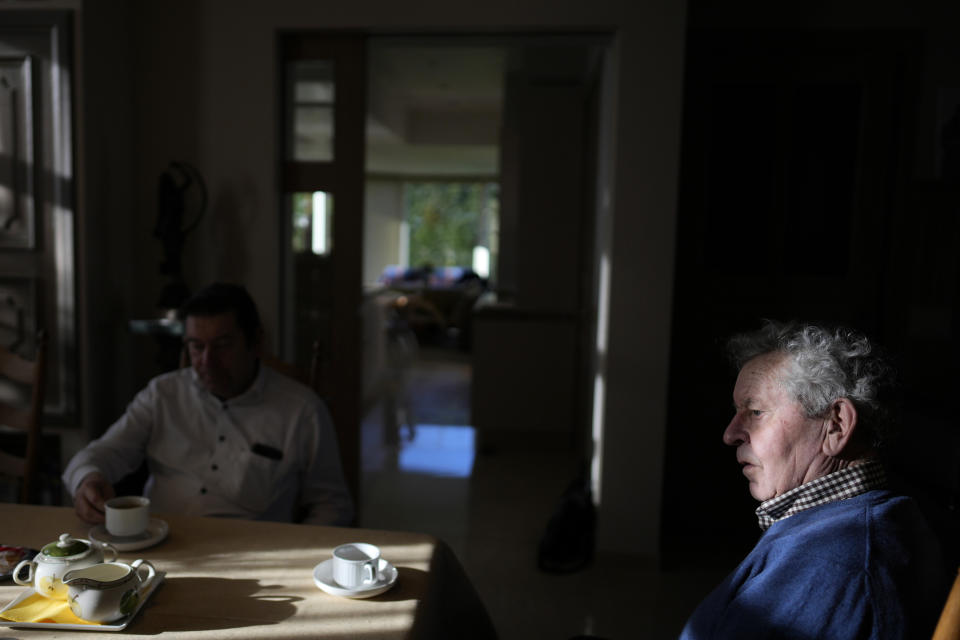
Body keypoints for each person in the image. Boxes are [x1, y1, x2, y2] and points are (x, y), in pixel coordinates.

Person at [680, 320, 949, 639]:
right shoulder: (840, 525)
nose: (730, 434)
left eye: (755, 412)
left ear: (836, 424)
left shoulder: (836, 563)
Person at [63, 282, 354, 526]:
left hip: (252, 558)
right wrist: (87, 480)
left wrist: (300, 558)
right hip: (158, 549)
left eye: (223, 345)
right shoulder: (162, 395)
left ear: (256, 342)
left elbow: (332, 505)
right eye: (196, 346)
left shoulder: (302, 411)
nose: (207, 362)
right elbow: (102, 453)